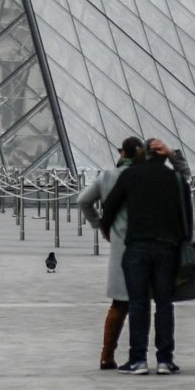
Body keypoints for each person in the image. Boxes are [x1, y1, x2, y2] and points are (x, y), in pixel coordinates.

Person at [97, 135, 189, 375]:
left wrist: (108, 232)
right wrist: (171, 153)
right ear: (163, 156)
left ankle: (138, 360)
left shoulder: (130, 176)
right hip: (167, 247)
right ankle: (165, 360)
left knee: (138, 304)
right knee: (164, 305)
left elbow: (109, 209)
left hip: (137, 247)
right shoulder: (174, 179)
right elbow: (186, 211)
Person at [74, 141, 139, 370]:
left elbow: (83, 200)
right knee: (140, 304)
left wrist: (100, 226)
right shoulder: (143, 175)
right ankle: (138, 356)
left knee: (119, 304)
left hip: (119, 245)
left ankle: (106, 355)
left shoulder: (108, 176)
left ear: (122, 153)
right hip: (143, 243)